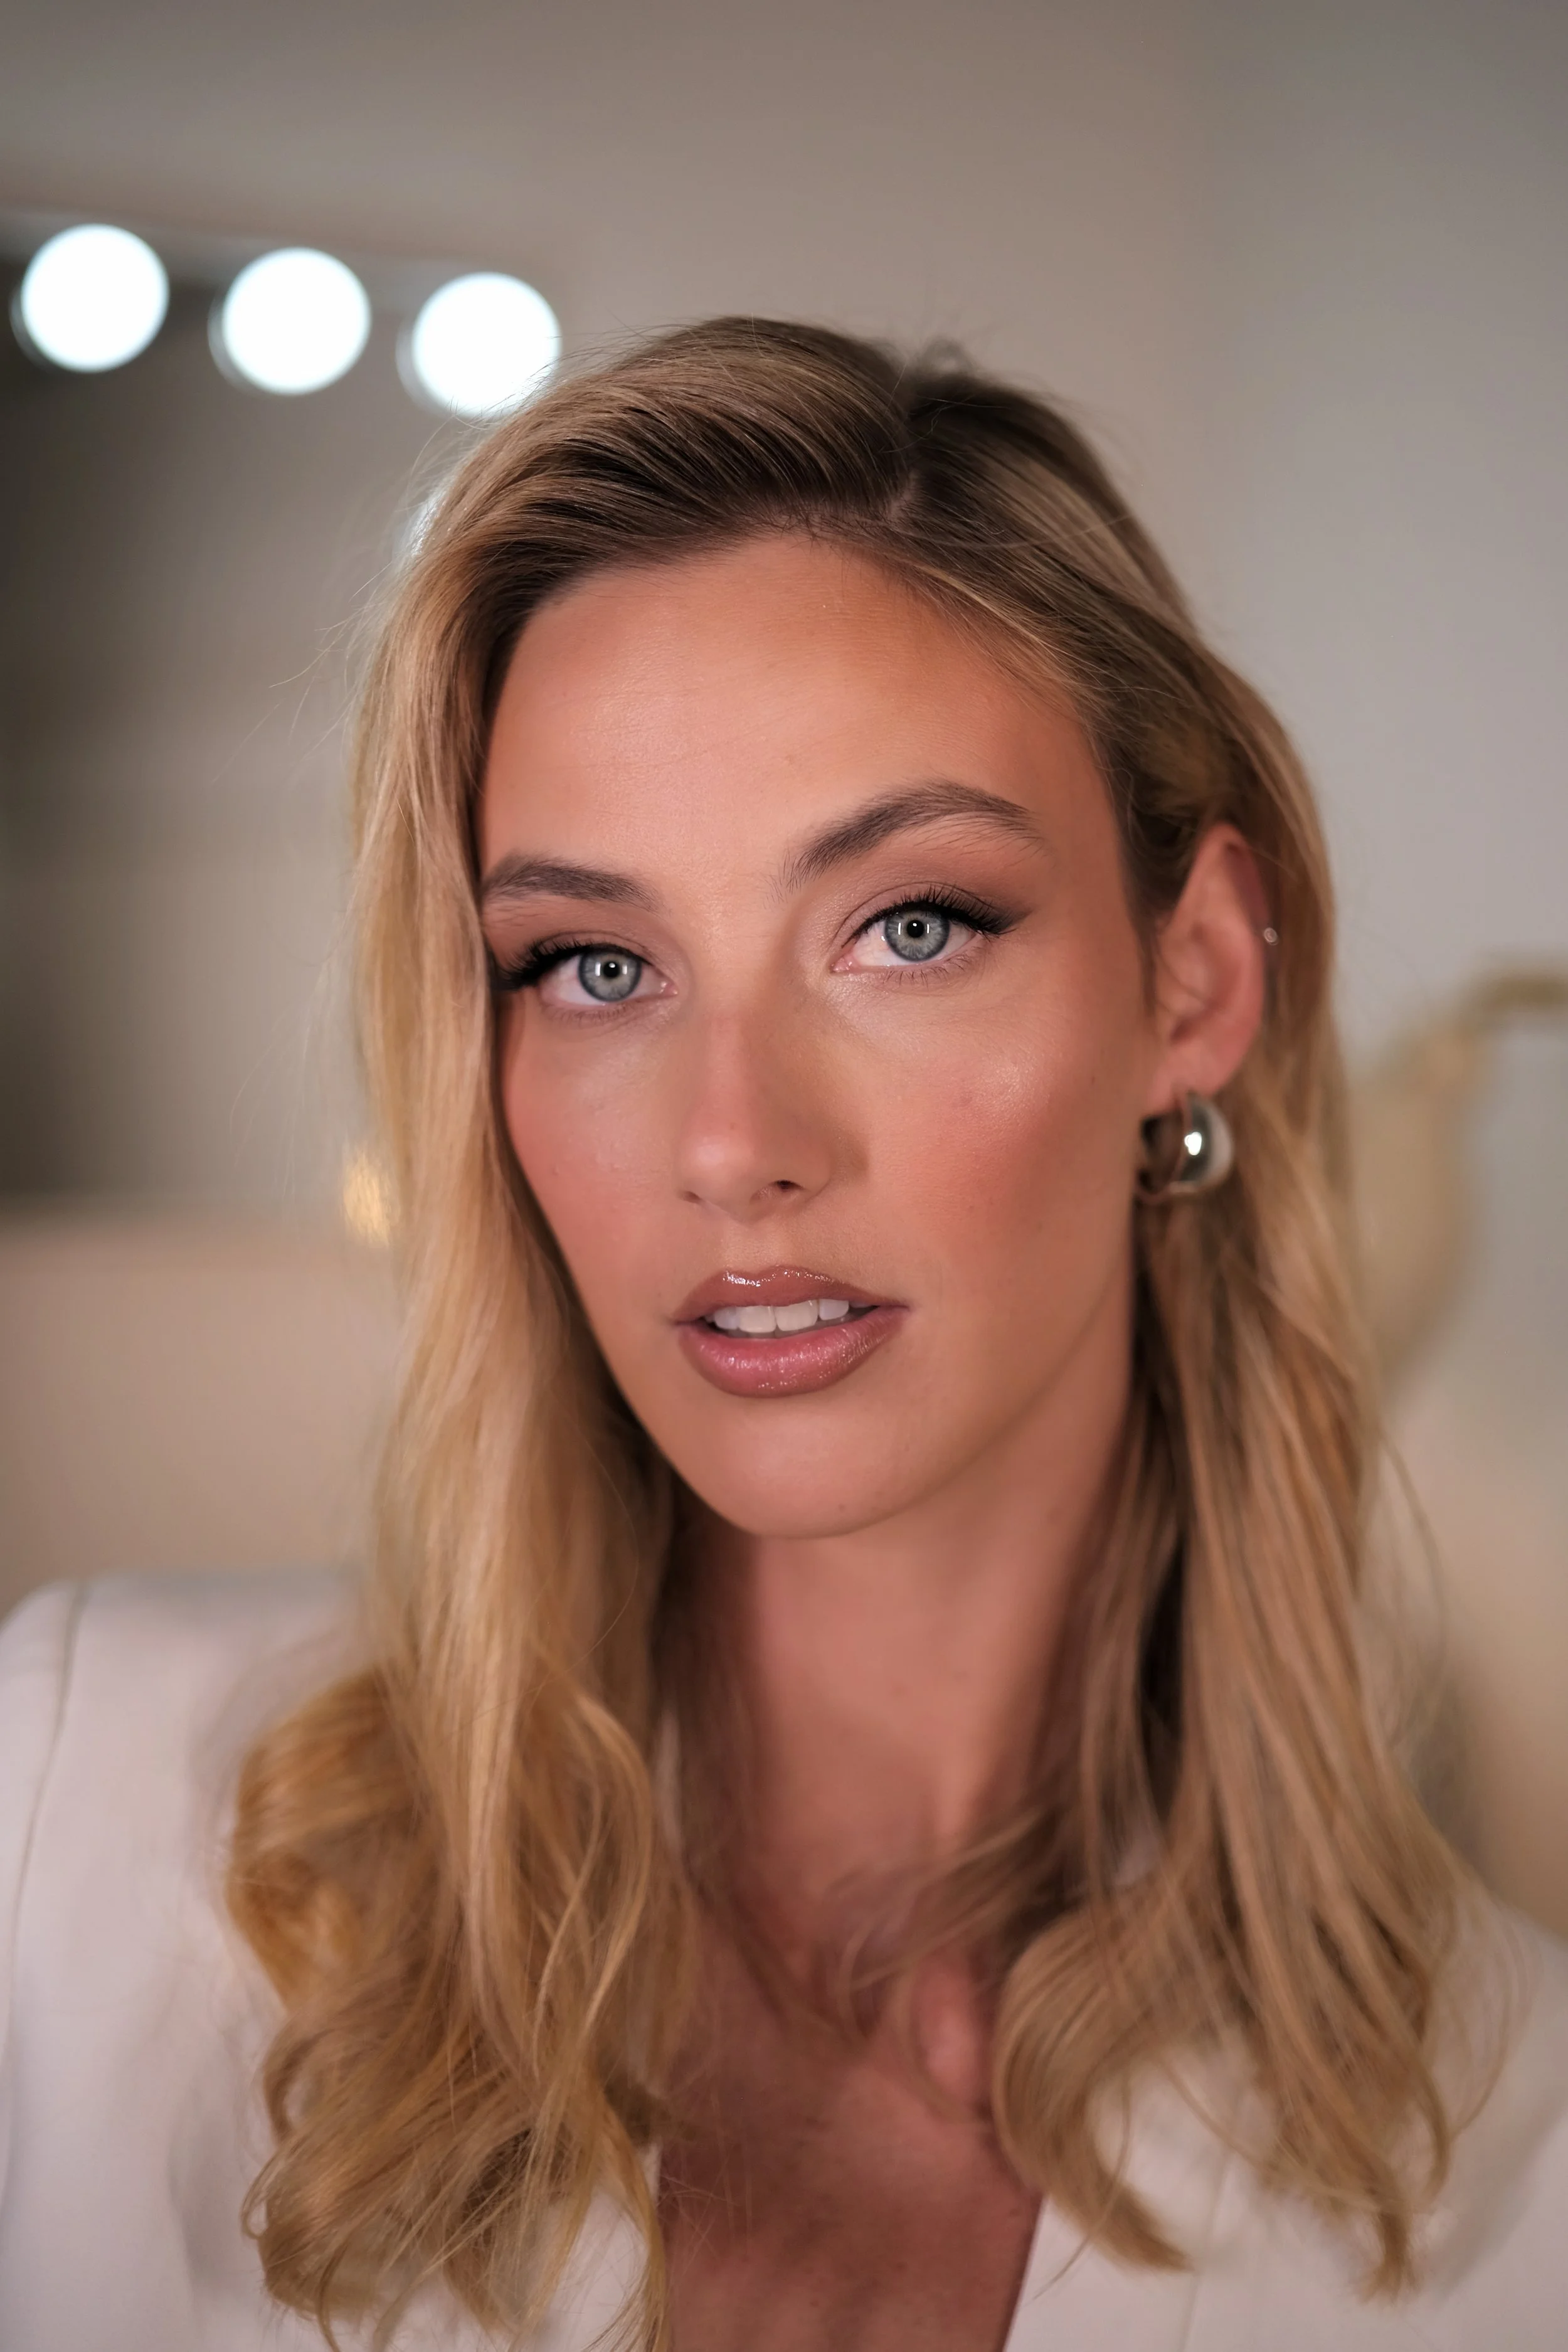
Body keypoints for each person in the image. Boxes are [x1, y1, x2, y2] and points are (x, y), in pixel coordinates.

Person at [1, 318, 1564, 2352]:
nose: (732, 1144)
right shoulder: (75, 1805)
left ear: (1191, 979)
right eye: (590, 963)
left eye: (908, 926)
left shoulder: (1515, 2167)